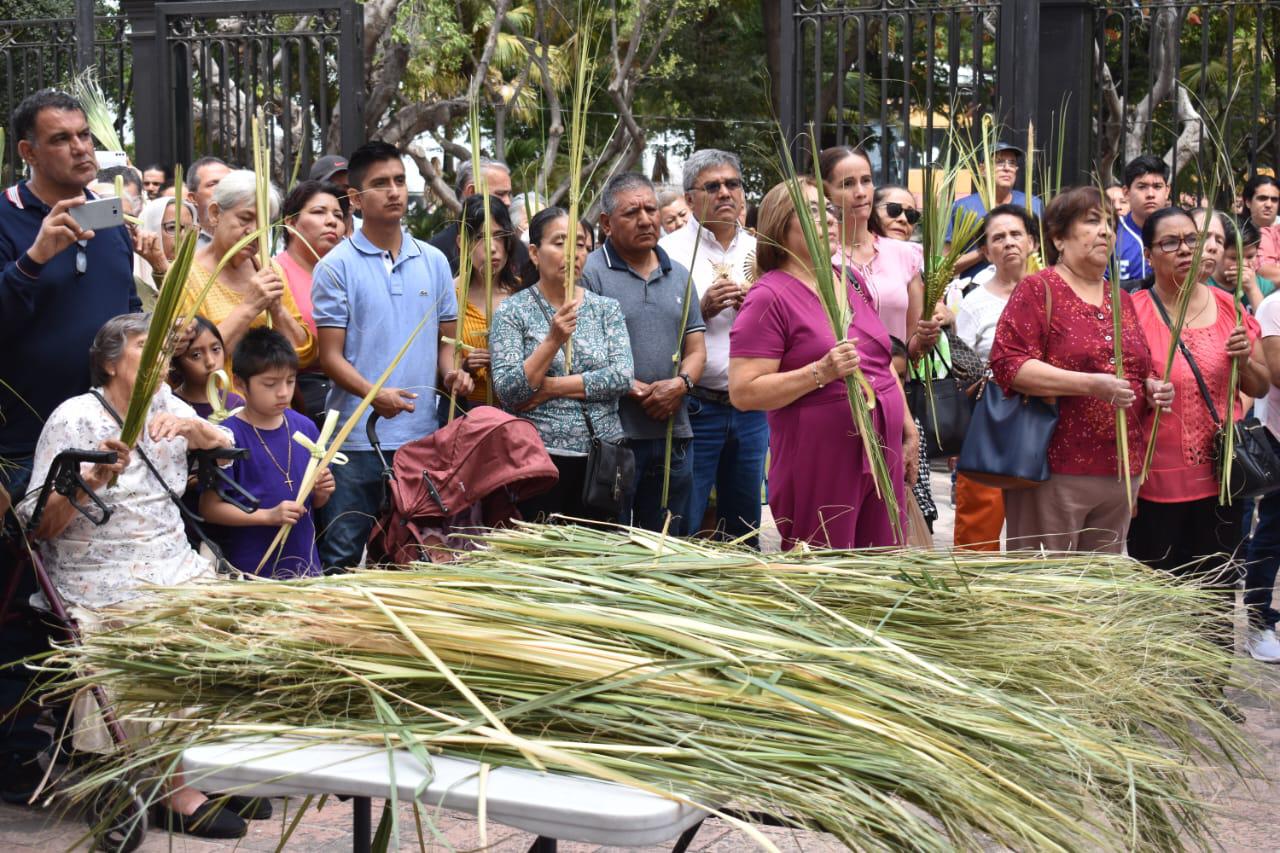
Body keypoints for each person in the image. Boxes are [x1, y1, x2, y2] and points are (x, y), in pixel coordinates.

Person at [15, 314, 251, 839]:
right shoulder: (74, 417)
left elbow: (226, 442)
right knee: (162, 634)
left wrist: (195, 429)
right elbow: (40, 526)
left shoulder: (168, 404)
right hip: (98, 572)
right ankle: (173, 790)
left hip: (172, 562)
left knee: (235, 623)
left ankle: (201, 769)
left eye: (162, 349)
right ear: (108, 363)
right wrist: (95, 478)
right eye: (146, 346)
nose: (160, 357)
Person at [0, 90, 142, 802]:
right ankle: (16, 751)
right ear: (27, 151)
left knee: (94, 591)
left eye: (85, 135)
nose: (82, 148)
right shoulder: (6, 221)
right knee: (22, 600)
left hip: (104, 437)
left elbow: (123, 324)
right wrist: (33, 260)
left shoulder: (110, 221)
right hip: (22, 441)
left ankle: (92, 743)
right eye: (61, 139)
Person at [312, 141, 473, 572]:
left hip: (421, 438)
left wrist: (451, 374)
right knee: (341, 559)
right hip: (354, 440)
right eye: (381, 183)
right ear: (355, 198)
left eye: (400, 180)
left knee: (418, 558)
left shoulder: (435, 261)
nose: (394, 191)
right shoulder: (334, 267)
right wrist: (374, 395)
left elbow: (447, 343)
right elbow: (330, 358)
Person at [729, 178, 915, 549]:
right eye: (813, 211)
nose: (830, 219)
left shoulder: (849, 279)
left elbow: (880, 362)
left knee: (880, 564)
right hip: (822, 458)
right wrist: (821, 372)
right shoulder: (769, 296)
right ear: (781, 225)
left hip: (882, 449)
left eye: (829, 209)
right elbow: (744, 391)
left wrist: (908, 429)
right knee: (826, 564)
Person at [988, 186, 1172, 553]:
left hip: (1120, 469)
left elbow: (1137, 369)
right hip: (1052, 467)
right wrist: (1090, 384)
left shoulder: (1120, 298)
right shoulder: (1038, 289)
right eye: (1092, 221)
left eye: (1110, 223)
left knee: (1099, 582)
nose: (1105, 231)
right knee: (1048, 579)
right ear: (1058, 238)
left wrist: (1152, 388)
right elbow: (1009, 365)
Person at [1128, 207, 1268, 653]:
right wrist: (1145, 390)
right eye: (1170, 243)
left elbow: (1260, 385)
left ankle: (1210, 682)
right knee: (1159, 592)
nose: (1186, 250)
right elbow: (1115, 390)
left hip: (1222, 481)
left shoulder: (1228, 306)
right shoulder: (1132, 311)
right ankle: (1160, 680)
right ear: (1149, 254)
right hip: (1155, 484)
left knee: (1217, 592)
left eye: (1192, 239)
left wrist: (1244, 360)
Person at [580, 173, 706, 534]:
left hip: (673, 434)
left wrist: (679, 385)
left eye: (651, 209)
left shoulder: (679, 274)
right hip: (614, 438)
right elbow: (585, 356)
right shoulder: (589, 273)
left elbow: (697, 349)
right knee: (613, 543)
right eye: (632, 212)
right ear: (606, 223)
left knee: (667, 539)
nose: (646, 219)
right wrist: (638, 389)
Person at [490, 206, 633, 521]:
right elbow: (509, 391)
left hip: (602, 457)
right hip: (538, 461)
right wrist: (552, 340)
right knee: (541, 544)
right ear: (534, 253)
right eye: (559, 243)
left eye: (580, 245)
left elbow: (621, 377)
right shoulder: (512, 312)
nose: (573, 254)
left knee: (598, 547)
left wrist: (550, 387)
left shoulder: (606, 309)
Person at [659, 149, 767, 544]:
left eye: (732, 184)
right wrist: (699, 311)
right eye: (713, 186)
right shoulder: (668, 252)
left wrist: (758, 307)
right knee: (682, 521)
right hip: (695, 406)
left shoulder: (762, 250)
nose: (725, 193)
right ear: (689, 199)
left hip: (751, 408)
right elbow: (653, 331)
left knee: (743, 528)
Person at [199, 328, 334, 578]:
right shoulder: (226, 436)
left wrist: (322, 491)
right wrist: (267, 516)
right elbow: (210, 508)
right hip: (252, 571)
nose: (283, 392)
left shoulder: (305, 427)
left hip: (305, 566)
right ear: (240, 383)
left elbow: (316, 502)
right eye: (270, 384)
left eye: (290, 381)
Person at [952, 204, 1038, 550]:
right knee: (978, 525)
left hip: (1044, 420)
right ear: (986, 252)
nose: (1009, 242)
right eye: (998, 238)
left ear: (1032, 242)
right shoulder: (973, 304)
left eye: (1016, 234)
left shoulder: (1052, 294)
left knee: (1036, 527)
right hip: (989, 422)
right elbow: (961, 370)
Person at [179, 169, 315, 367]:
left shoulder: (268, 269)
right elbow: (195, 362)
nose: (254, 231)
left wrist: (277, 310)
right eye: (245, 218)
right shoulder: (185, 275)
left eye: (263, 223)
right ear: (215, 213)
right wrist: (250, 307)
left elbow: (304, 355)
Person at [819, 145, 939, 358]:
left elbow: (911, 347)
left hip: (894, 377)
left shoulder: (905, 254)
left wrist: (924, 337)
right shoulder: (818, 258)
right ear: (825, 193)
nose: (860, 192)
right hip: (839, 375)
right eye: (847, 184)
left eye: (866, 180)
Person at [275, 179, 348, 419]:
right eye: (318, 212)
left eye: (338, 215)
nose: (331, 221)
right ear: (290, 223)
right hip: (298, 394)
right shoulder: (273, 272)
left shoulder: (349, 274)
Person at [455, 194, 521, 406]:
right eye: (480, 237)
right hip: (467, 413)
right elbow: (434, 368)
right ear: (462, 243)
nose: (492, 247)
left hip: (517, 414)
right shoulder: (449, 296)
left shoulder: (524, 294)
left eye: (499, 236)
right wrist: (464, 368)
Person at [1246, 253, 1280, 662]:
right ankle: (1258, 623)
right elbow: (1275, 372)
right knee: (1272, 534)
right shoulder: (1273, 307)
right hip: (1277, 438)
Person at [947, 141, 1044, 279]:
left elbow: (1044, 256)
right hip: (975, 287)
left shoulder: (1032, 204)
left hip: (1023, 286)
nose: (1007, 168)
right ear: (982, 170)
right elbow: (945, 268)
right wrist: (986, 250)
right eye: (999, 162)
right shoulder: (963, 207)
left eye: (1012, 163)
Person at [428, 157, 526, 275]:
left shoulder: (518, 249)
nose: (508, 202)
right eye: (500, 194)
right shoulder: (435, 253)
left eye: (499, 235)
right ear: (472, 192)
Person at [1114, 155, 1171, 287]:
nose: (1150, 194)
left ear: (1167, 191)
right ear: (1126, 193)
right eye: (1142, 187)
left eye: (1157, 187)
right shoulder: (1111, 234)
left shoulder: (1182, 233)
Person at [170, 315, 241, 419]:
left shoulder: (236, 403)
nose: (211, 362)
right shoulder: (169, 406)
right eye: (196, 355)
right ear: (176, 364)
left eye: (215, 349)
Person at [1218, 219, 1276, 311]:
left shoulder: (1264, 286)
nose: (1243, 264)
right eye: (1234, 258)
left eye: (1250, 257)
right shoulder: (1204, 285)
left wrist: (1252, 290)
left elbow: (1267, 318)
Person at [185, 155, 231, 247]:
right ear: (192, 198)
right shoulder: (185, 247)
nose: (225, 188)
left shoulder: (254, 240)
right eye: (213, 184)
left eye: (228, 182)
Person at [1242, 174, 1280, 283]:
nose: (1269, 204)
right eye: (1262, 198)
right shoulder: (1240, 231)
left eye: (1274, 200)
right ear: (1248, 202)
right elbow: (1265, 272)